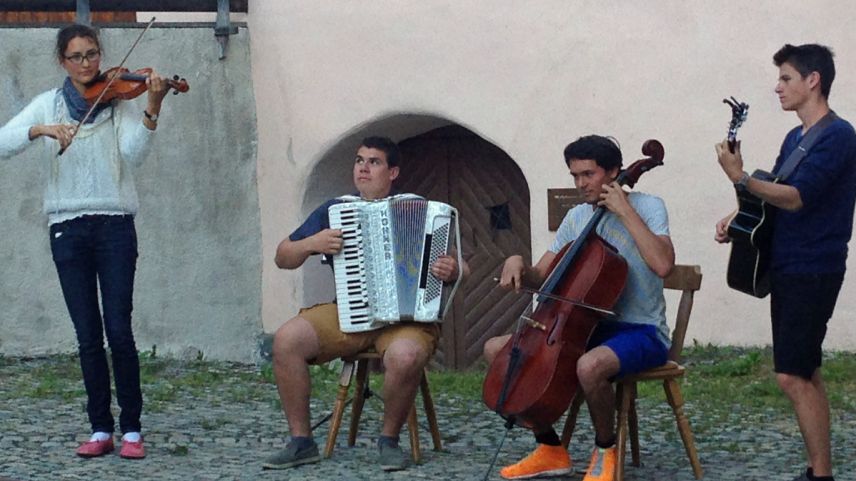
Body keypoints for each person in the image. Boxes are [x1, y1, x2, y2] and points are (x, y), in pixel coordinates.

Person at [0, 24, 170, 459]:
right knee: (87, 335)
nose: (87, 64)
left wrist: (151, 104)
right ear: (63, 61)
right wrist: (41, 130)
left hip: (115, 225)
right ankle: (100, 427)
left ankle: (131, 428)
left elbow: (134, 154)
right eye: (76, 57)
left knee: (119, 329)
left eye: (92, 54)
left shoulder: (116, 101)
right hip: (67, 228)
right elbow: (2, 143)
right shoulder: (49, 104)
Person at [265, 136, 468, 472]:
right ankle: (301, 441)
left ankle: (388, 441)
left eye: (374, 162)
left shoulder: (422, 210)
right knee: (286, 340)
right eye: (359, 160)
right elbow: (282, 257)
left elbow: (463, 265)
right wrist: (312, 243)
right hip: (349, 310)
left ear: (393, 172)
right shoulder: (333, 211)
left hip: (407, 320)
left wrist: (452, 268)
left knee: (405, 356)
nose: (363, 167)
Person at [483, 135, 675, 481]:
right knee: (497, 349)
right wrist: (517, 263)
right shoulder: (576, 218)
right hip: (587, 327)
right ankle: (550, 449)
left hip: (642, 330)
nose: (581, 184)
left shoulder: (649, 206)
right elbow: (541, 276)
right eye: (575, 176)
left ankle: (605, 451)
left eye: (589, 174)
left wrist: (624, 211)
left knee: (590, 366)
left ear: (615, 171)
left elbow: (663, 265)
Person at [715, 44, 856, 481]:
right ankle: (820, 470)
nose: (777, 87)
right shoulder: (794, 138)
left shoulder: (838, 136)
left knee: (791, 376)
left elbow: (796, 198)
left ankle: (822, 475)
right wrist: (740, 215)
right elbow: (773, 191)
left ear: (813, 80)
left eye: (786, 78)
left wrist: (740, 177)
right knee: (805, 369)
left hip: (814, 265)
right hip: (790, 263)